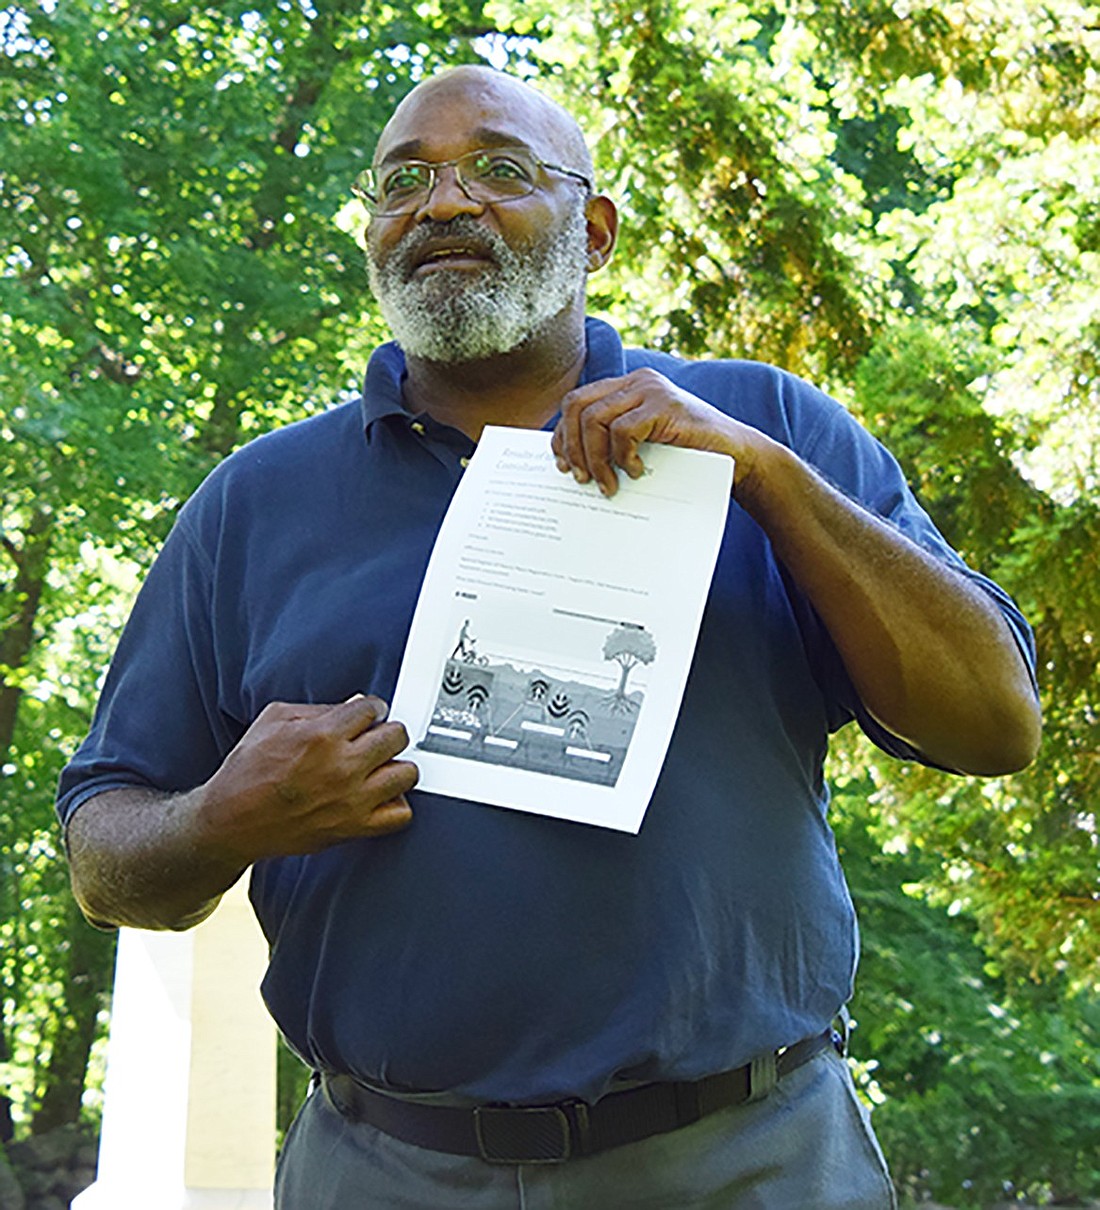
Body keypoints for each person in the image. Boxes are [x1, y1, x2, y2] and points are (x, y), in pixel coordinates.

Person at [57, 65, 1041, 1208]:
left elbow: (993, 721)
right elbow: (104, 854)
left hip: (746, 1160)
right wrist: (224, 815)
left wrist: (768, 482)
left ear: (597, 227)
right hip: (379, 1167)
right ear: (373, 233)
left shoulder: (766, 426)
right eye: (402, 181)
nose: (443, 204)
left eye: (500, 170)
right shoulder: (252, 504)